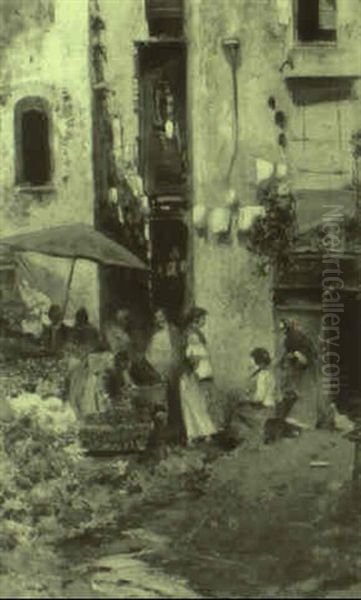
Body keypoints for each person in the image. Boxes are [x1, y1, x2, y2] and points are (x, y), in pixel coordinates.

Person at [179, 307, 218, 445]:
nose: (204, 321)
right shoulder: (192, 335)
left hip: (196, 375)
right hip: (191, 375)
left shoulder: (196, 334)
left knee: (198, 404)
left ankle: (201, 434)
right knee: (193, 404)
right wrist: (194, 372)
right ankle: (196, 435)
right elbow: (191, 357)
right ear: (196, 319)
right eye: (203, 318)